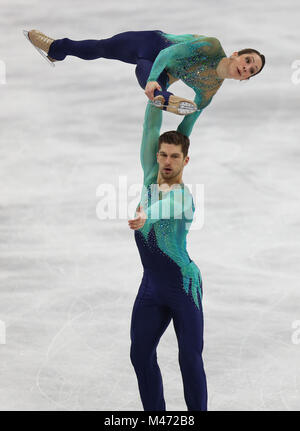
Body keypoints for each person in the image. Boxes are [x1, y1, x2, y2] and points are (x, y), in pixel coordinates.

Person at [24, 29, 265, 136]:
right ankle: (57, 48)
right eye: (247, 60)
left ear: (245, 79)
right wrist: (151, 81)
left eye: (251, 71)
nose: (246, 67)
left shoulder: (210, 89)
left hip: (159, 73)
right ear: (236, 54)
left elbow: (189, 122)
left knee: (153, 84)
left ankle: (165, 99)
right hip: (152, 43)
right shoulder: (211, 46)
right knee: (102, 47)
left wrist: (180, 148)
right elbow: (167, 55)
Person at [127, 101, 207, 411]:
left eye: (175, 156)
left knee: (189, 357)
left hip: (183, 287)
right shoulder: (150, 176)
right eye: (163, 154)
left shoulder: (182, 196)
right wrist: (153, 97)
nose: (167, 161)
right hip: (151, 288)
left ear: (186, 160)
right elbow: (150, 128)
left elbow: (166, 207)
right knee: (140, 354)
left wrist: (147, 215)